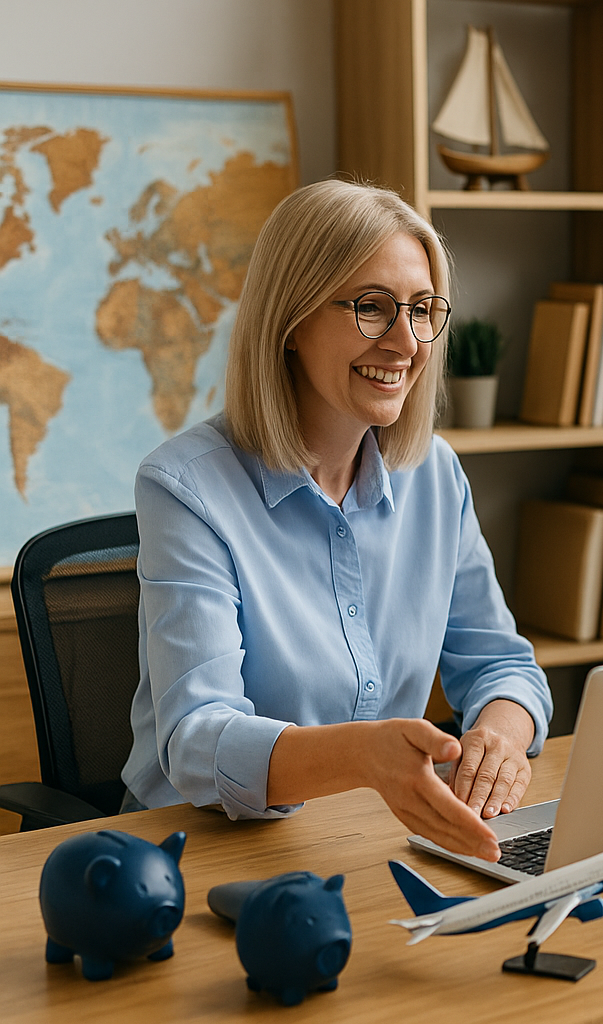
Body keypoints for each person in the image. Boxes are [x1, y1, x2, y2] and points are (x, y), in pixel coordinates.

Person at [121, 179, 551, 863]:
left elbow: (502, 664)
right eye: (372, 308)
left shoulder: (434, 474)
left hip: (366, 842)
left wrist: (500, 735)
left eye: (421, 310)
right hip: (193, 854)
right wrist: (362, 757)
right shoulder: (186, 488)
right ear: (291, 321)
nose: (405, 342)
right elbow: (197, 740)